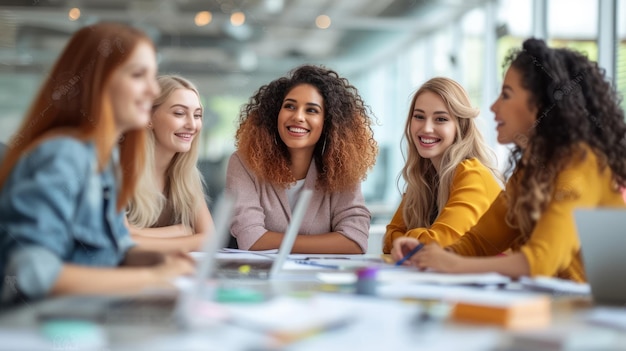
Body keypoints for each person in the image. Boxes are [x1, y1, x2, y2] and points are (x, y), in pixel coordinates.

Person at [391, 38, 626, 282]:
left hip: (601, 314)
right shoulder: (529, 170)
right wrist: (430, 255)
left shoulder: (583, 165)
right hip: (562, 310)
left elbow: (541, 261)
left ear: (541, 104)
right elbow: (479, 242)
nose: (493, 107)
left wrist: (452, 264)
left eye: (506, 95)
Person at [0, 23, 194, 304]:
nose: (153, 90)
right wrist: (153, 277)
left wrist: (161, 260)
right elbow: (32, 273)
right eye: (139, 75)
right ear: (97, 80)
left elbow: (118, 247)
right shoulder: (63, 155)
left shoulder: (104, 159)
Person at [227, 64, 378, 254]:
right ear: (275, 114)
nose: (298, 117)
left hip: (321, 282)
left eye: (311, 110)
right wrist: (330, 243)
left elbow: (355, 240)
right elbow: (251, 239)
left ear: (328, 121)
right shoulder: (244, 163)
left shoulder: (341, 166)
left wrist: (273, 241)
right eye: (290, 106)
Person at [382, 77, 502, 254]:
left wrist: (408, 238)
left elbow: (440, 244)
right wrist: (416, 239)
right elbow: (388, 240)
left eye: (441, 119)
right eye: (419, 117)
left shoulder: (472, 174)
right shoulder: (424, 179)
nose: (427, 128)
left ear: (459, 125)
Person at [125, 75, 214, 252]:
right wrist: (181, 231)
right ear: (148, 117)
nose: (192, 124)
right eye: (179, 113)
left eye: (197, 115)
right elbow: (116, 239)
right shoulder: (120, 168)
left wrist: (138, 234)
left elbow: (211, 239)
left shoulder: (187, 175)